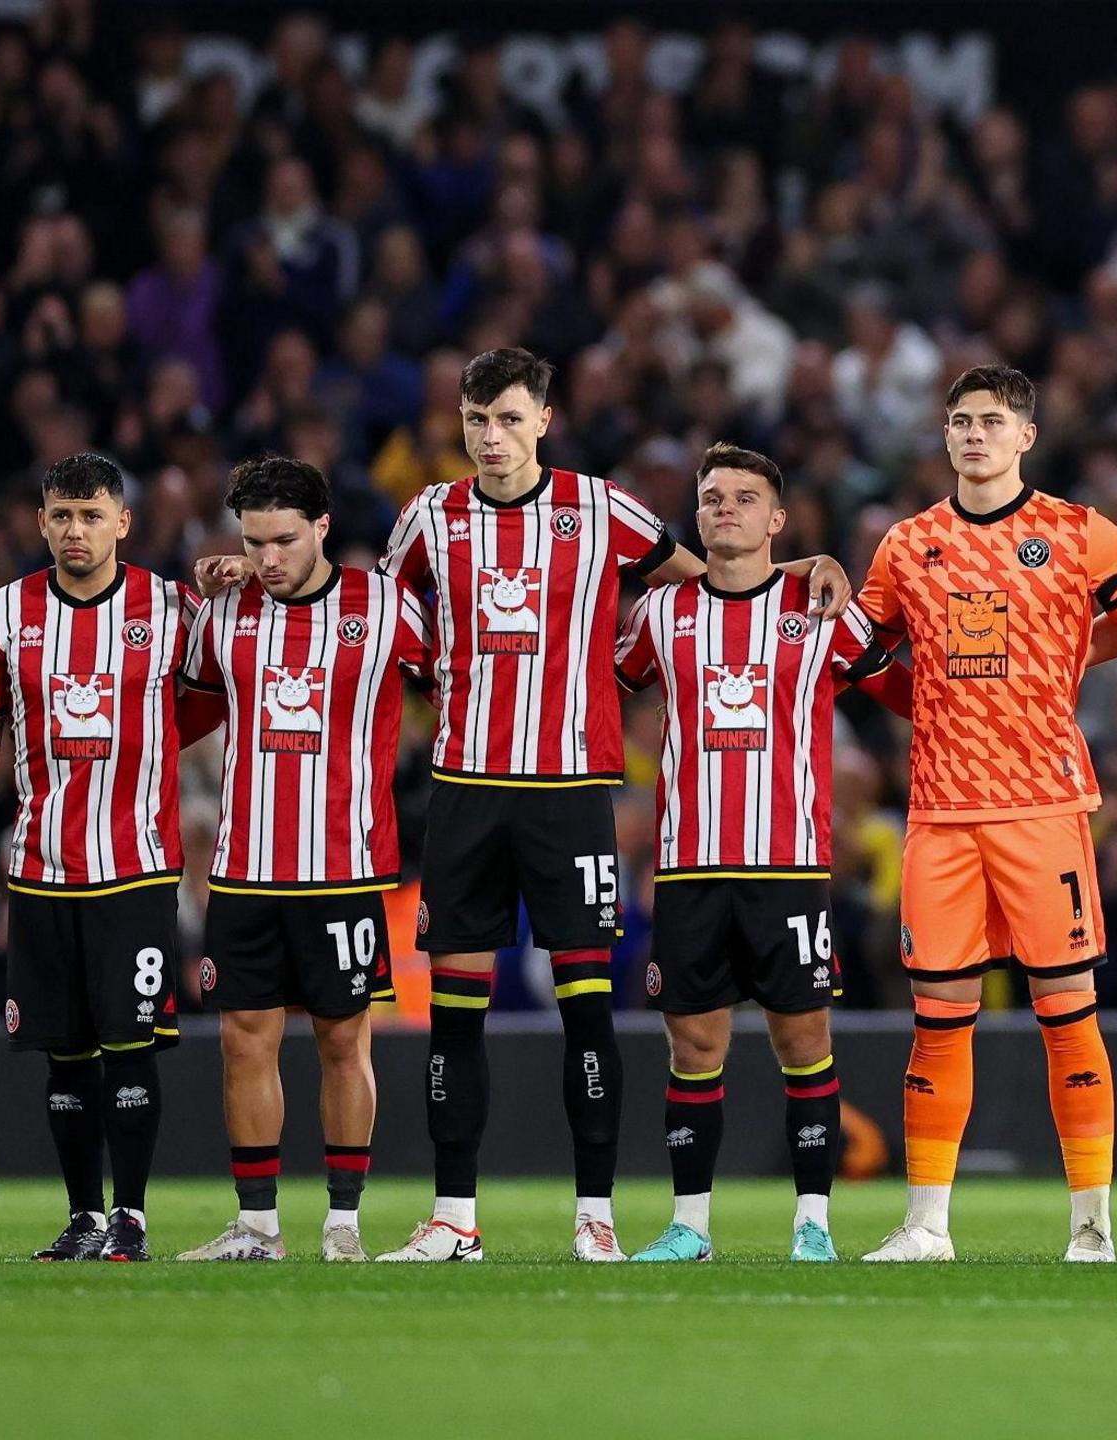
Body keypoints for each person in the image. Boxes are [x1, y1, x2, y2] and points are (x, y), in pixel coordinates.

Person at [194, 346, 845, 1262]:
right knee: (456, 1013)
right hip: (465, 790)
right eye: (474, 421)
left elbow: (716, 581)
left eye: (507, 419)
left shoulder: (602, 509)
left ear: (544, 419)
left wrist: (805, 561)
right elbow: (366, 605)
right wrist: (251, 562)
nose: (490, 438)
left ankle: (597, 1219)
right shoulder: (429, 514)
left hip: (570, 793)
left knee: (588, 1011)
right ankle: (454, 1216)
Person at [852, 365, 1117, 1263]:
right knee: (938, 1017)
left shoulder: (1076, 533)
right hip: (943, 810)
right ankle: (926, 1225)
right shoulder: (908, 544)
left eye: (992, 421)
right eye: (960, 422)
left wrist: (1070, 656)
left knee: (1067, 1013)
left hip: (1042, 805)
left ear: (1026, 434)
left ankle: (1092, 1226)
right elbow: (863, 653)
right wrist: (921, 702)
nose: (974, 436)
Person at [613, 443, 905, 1263]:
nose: (725, 509)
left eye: (745, 498)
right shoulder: (660, 617)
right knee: (694, 1046)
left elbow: (891, 689)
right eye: (712, 498)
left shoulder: (820, 610)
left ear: (777, 520)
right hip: (690, 866)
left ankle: (813, 1221)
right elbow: (610, 689)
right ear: (697, 514)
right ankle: (689, 1226)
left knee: (803, 1039)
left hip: (790, 864)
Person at [0, 453, 210, 1262]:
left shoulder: (169, 608)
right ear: (41, 522)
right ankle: (84, 1216)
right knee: (64, 1053)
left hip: (138, 866)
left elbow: (220, 687)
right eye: (61, 515)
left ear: (123, 522)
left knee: (129, 1042)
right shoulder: (7, 614)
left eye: (91, 515)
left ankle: (132, 1217)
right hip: (42, 868)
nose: (74, 530)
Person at [174, 454, 428, 1263]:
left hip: (344, 869)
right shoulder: (223, 614)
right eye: (252, 543)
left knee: (342, 1042)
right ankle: (256, 1227)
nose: (267, 560)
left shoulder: (385, 607)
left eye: (283, 540)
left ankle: (344, 1224)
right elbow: (189, 709)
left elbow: (460, 681)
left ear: (321, 528)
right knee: (243, 1039)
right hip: (244, 867)